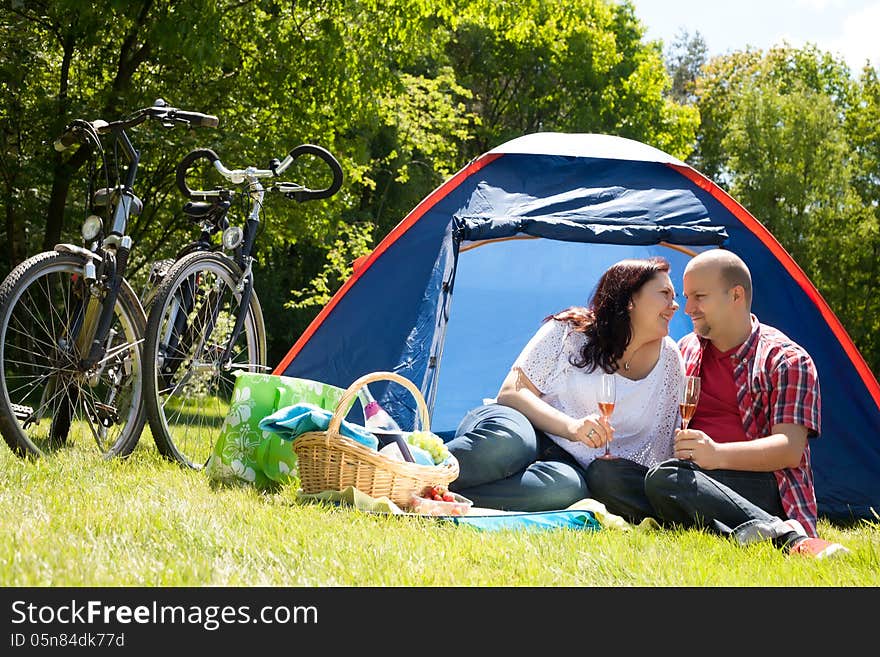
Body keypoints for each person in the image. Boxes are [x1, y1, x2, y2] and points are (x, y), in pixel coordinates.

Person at [585, 249, 849, 559]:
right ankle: (720, 527)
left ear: (735, 295)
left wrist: (716, 454)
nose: (687, 308)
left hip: (761, 486)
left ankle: (789, 539)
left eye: (699, 296)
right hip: (692, 479)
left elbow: (789, 450)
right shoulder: (685, 351)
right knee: (605, 474)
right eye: (686, 297)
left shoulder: (786, 359)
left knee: (667, 479)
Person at [446, 257, 684, 511]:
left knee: (567, 490)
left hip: (566, 464)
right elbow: (512, 392)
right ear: (630, 300)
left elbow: (662, 444)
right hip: (520, 422)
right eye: (665, 294)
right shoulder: (569, 330)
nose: (675, 305)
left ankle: (436, 495)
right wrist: (571, 427)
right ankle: (412, 467)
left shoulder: (669, 359)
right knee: (508, 444)